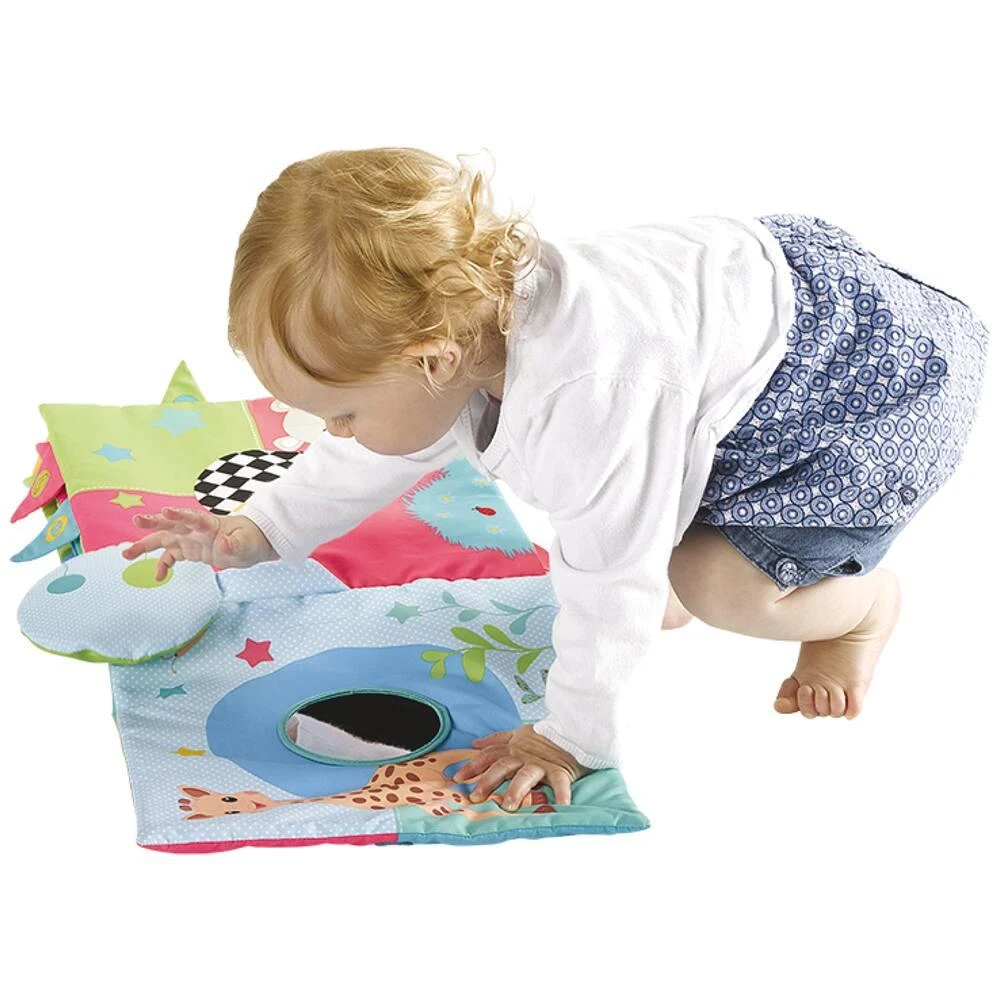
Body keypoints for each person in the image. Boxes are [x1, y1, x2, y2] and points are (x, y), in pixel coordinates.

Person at [123, 147, 992, 810]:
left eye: (341, 412)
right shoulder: (461, 325)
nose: (333, 434)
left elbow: (609, 575)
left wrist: (569, 737)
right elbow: (372, 454)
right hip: (748, 343)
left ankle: (861, 609)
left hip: (858, 391)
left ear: (433, 360)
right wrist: (259, 530)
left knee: (712, 585)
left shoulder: (586, 402)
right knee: (647, 539)